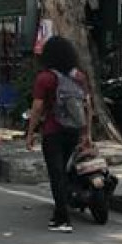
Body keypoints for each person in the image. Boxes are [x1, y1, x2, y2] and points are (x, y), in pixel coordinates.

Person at [24, 35, 91, 232]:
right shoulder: (79, 76)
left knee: (57, 174)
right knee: (65, 170)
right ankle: (58, 214)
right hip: (74, 131)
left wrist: (31, 133)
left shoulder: (45, 78)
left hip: (53, 132)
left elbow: (37, 108)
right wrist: (86, 133)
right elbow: (88, 106)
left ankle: (63, 218)